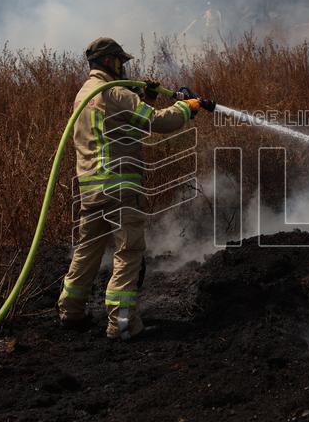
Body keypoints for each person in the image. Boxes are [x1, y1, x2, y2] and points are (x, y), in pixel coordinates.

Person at [58, 38, 201, 340]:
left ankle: (70, 311)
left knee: (88, 249)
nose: (124, 68)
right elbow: (157, 123)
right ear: (111, 62)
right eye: (121, 62)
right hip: (120, 187)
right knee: (129, 250)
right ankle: (121, 324)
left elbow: (124, 125)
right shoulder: (115, 92)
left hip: (91, 188)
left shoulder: (85, 94)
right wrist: (186, 107)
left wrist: (145, 98)